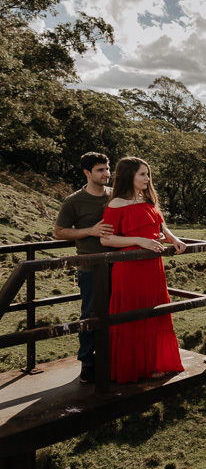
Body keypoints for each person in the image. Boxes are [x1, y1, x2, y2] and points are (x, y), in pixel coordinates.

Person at [100, 157, 186, 383]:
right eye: (142, 175)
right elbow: (106, 240)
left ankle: (152, 364)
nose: (147, 179)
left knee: (154, 313)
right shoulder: (115, 204)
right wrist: (140, 241)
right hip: (130, 269)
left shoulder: (147, 200)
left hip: (153, 269)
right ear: (129, 176)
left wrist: (174, 239)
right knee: (133, 316)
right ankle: (136, 368)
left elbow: (159, 226)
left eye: (148, 174)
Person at [54, 152, 115, 383]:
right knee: (90, 315)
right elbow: (59, 232)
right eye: (100, 170)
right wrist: (89, 231)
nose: (106, 174)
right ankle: (88, 364)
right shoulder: (73, 201)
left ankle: (113, 359)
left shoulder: (115, 196)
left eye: (107, 168)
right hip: (90, 267)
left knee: (119, 312)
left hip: (119, 265)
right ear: (87, 173)